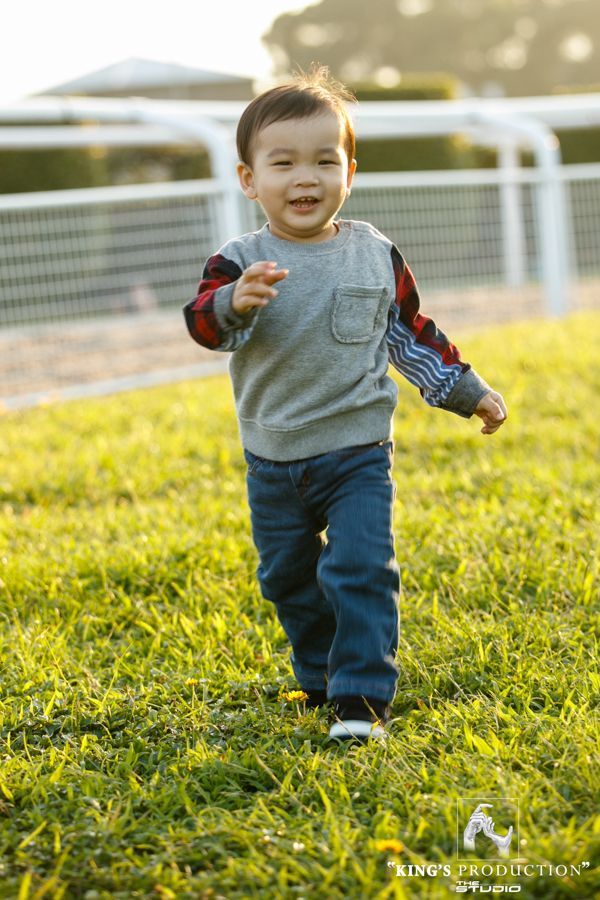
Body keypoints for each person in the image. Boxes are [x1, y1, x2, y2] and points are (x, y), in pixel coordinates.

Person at [183, 64, 507, 744]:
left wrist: (468, 391)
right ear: (250, 179)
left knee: (360, 567)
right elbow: (203, 326)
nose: (306, 178)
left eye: (325, 161)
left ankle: (361, 699)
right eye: (284, 162)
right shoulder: (239, 260)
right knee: (289, 580)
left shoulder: (373, 254)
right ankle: (320, 675)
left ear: (349, 171)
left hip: (358, 451)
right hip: (272, 459)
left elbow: (411, 335)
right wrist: (231, 302)